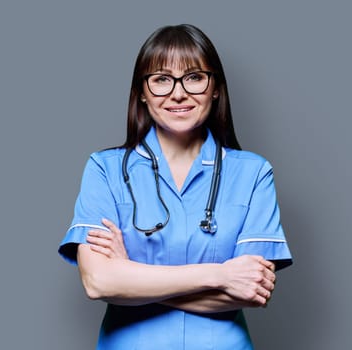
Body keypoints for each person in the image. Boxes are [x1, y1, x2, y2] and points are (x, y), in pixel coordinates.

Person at [58, 24, 292, 350]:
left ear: (215, 88)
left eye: (194, 77)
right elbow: (98, 282)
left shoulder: (253, 173)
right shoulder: (105, 169)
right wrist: (220, 275)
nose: (178, 93)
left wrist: (129, 275)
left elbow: (253, 290)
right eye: (161, 79)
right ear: (142, 91)